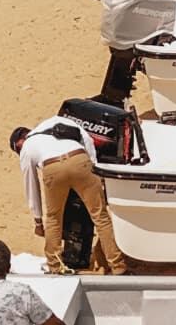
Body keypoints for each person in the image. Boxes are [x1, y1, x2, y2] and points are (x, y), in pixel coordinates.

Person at [12, 115, 128, 272]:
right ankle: (118, 266)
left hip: (52, 168)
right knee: (101, 217)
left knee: (54, 220)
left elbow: (31, 186)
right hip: (79, 159)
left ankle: (55, 267)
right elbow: (87, 139)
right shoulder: (55, 120)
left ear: (22, 140)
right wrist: (93, 167)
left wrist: (38, 220)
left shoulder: (27, 147)